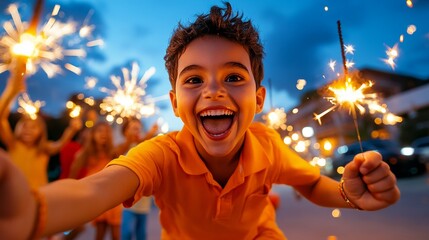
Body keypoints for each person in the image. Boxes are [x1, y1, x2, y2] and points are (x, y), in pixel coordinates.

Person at [0, 3, 400, 240]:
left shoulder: (267, 145)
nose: (213, 91)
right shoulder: (161, 155)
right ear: (175, 103)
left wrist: (349, 196)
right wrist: (31, 213)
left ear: (257, 99)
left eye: (233, 77)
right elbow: (96, 190)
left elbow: (311, 183)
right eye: (194, 79)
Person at [0, 57, 82, 190]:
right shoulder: (13, 144)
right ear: (18, 128)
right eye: (25, 125)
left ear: (41, 132)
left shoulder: (44, 149)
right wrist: (12, 90)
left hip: (37, 197)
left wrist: (72, 129)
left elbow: (60, 144)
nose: (28, 130)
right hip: (12, 195)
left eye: (34, 127)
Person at [69, 121, 122, 240]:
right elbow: (74, 170)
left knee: (116, 235)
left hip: (113, 196)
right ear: (92, 134)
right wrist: (73, 189)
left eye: (106, 131)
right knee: (100, 233)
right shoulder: (86, 153)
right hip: (98, 196)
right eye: (99, 131)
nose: (103, 134)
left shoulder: (113, 152)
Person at [115, 117, 158, 240]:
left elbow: (144, 143)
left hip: (143, 199)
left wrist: (150, 133)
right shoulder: (122, 146)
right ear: (125, 131)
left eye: (137, 127)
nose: (135, 130)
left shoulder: (144, 145)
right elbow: (118, 153)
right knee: (126, 232)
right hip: (126, 197)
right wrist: (130, 138)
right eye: (132, 128)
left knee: (141, 233)